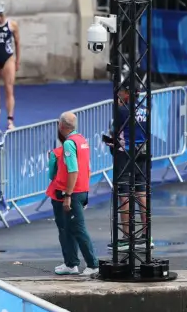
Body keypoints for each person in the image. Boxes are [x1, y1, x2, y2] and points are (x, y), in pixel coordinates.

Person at [104, 69, 151, 252]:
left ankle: (126, 236)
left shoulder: (121, 111)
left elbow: (114, 135)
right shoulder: (146, 110)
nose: (119, 95)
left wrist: (109, 142)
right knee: (141, 191)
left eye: (121, 92)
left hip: (125, 154)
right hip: (142, 153)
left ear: (127, 93)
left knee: (124, 192)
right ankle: (146, 234)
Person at [47, 112, 98, 276]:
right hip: (81, 190)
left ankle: (93, 264)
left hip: (72, 192)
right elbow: (87, 168)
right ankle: (71, 264)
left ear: (61, 126)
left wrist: (68, 195)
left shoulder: (69, 144)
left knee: (78, 229)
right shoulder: (82, 140)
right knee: (68, 228)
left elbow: (73, 170)